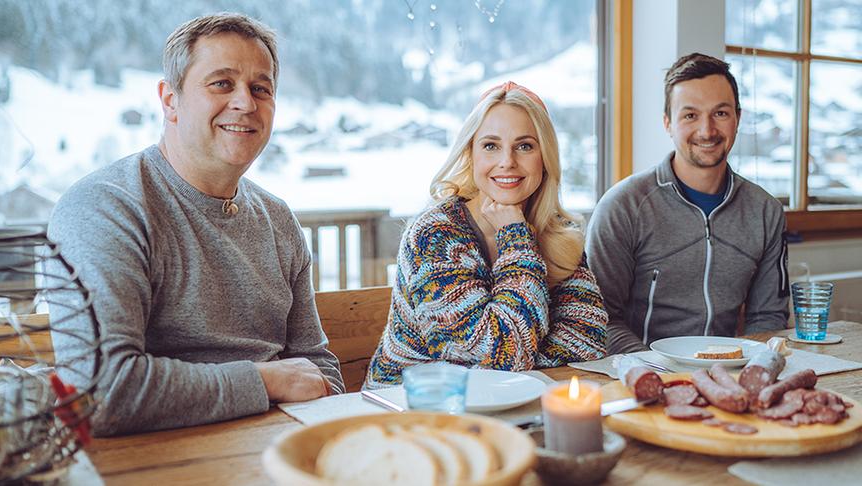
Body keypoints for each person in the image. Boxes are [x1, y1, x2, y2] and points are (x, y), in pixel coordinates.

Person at [46, 13, 343, 436]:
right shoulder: (105, 207)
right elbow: (100, 391)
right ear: (170, 101)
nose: (245, 102)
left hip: (283, 448)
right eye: (222, 83)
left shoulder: (279, 220)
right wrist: (267, 379)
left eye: (261, 88)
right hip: (156, 459)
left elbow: (317, 367)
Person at [365, 82, 608, 389]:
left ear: (544, 157)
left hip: (517, 406)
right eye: (491, 145)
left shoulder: (555, 231)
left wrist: (514, 352)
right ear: (471, 154)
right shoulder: (435, 235)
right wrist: (515, 238)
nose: (507, 161)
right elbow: (503, 354)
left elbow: (589, 340)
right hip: (413, 411)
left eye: (525, 146)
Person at [586, 53, 789, 355]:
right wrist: (657, 372)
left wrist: (746, 372)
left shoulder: (765, 212)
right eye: (690, 115)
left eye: (720, 113)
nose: (707, 131)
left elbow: (767, 319)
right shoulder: (623, 206)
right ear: (668, 123)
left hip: (727, 376)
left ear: (738, 118)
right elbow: (598, 319)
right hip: (639, 377)